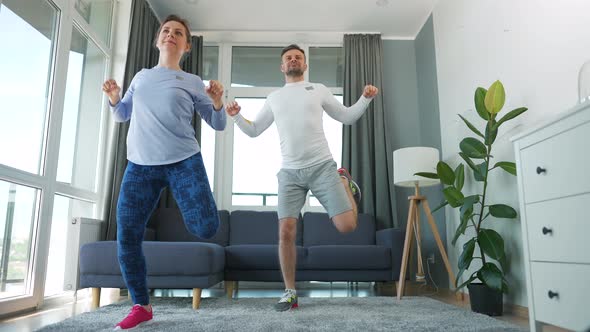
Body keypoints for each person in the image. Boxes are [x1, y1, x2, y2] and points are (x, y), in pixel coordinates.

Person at [225, 44, 379, 312]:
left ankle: (343, 181)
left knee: (347, 227)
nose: (293, 59)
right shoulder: (274, 97)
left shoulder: (317, 89)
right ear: (282, 67)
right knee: (285, 231)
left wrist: (365, 98)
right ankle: (290, 292)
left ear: (304, 65)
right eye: (288, 58)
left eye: (298, 57)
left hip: (322, 167)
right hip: (289, 173)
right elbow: (254, 131)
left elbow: (346, 116)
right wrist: (237, 117)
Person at [102, 15, 226, 330]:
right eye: (166, 31)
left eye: (178, 33)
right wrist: (115, 98)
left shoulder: (193, 82)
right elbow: (122, 114)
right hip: (140, 165)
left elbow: (218, 124)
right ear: (158, 40)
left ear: (185, 46)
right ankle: (141, 306)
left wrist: (217, 104)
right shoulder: (141, 77)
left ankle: (195, 207)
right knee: (127, 234)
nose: (171, 35)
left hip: (184, 160)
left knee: (206, 227)